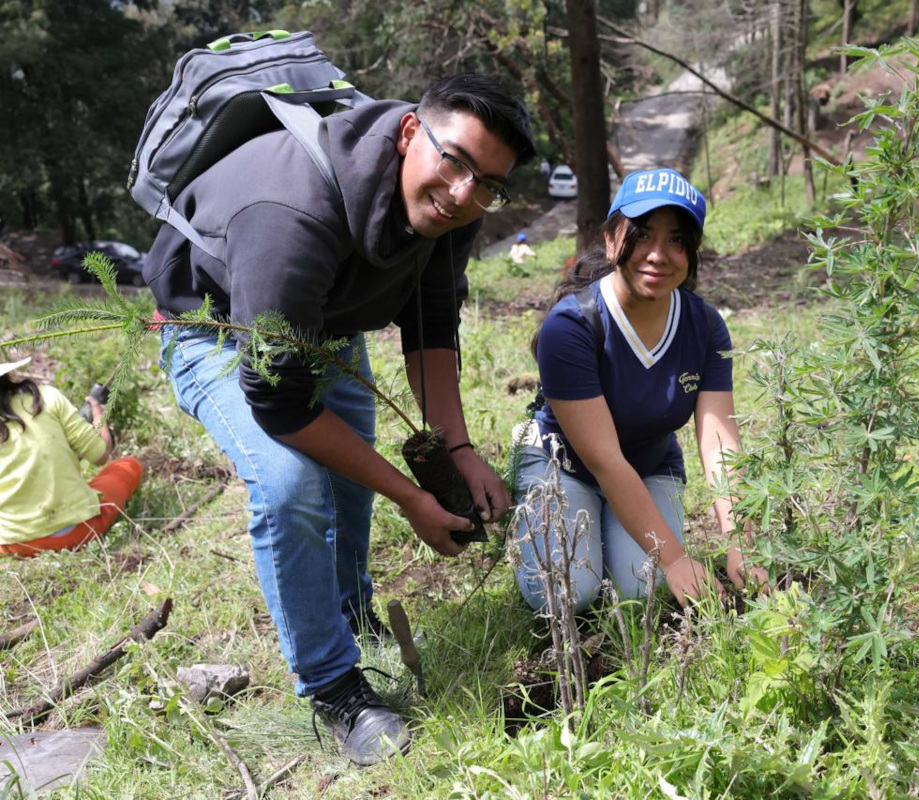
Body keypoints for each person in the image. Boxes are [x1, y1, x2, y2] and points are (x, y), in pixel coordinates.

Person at [141, 74, 535, 765]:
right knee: (292, 486)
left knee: (353, 479)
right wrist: (413, 497)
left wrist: (461, 449)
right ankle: (333, 688)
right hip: (219, 328)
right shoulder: (290, 212)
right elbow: (282, 404)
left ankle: (352, 611)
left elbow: (431, 321)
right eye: (457, 162)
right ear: (412, 132)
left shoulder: (454, 206)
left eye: (490, 185)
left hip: (322, 319)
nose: (465, 194)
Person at [514, 168, 768, 615]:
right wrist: (674, 559)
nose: (657, 255)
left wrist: (740, 540)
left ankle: (618, 536)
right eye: (643, 235)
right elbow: (605, 461)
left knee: (638, 590)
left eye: (676, 240)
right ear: (612, 238)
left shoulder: (705, 325)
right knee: (569, 593)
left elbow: (719, 442)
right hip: (566, 466)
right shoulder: (570, 327)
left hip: (650, 465)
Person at [0, 357, 143, 558]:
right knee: (129, 465)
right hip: (78, 532)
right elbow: (101, 454)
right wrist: (98, 417)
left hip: (13, 545)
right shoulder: (45, 397)